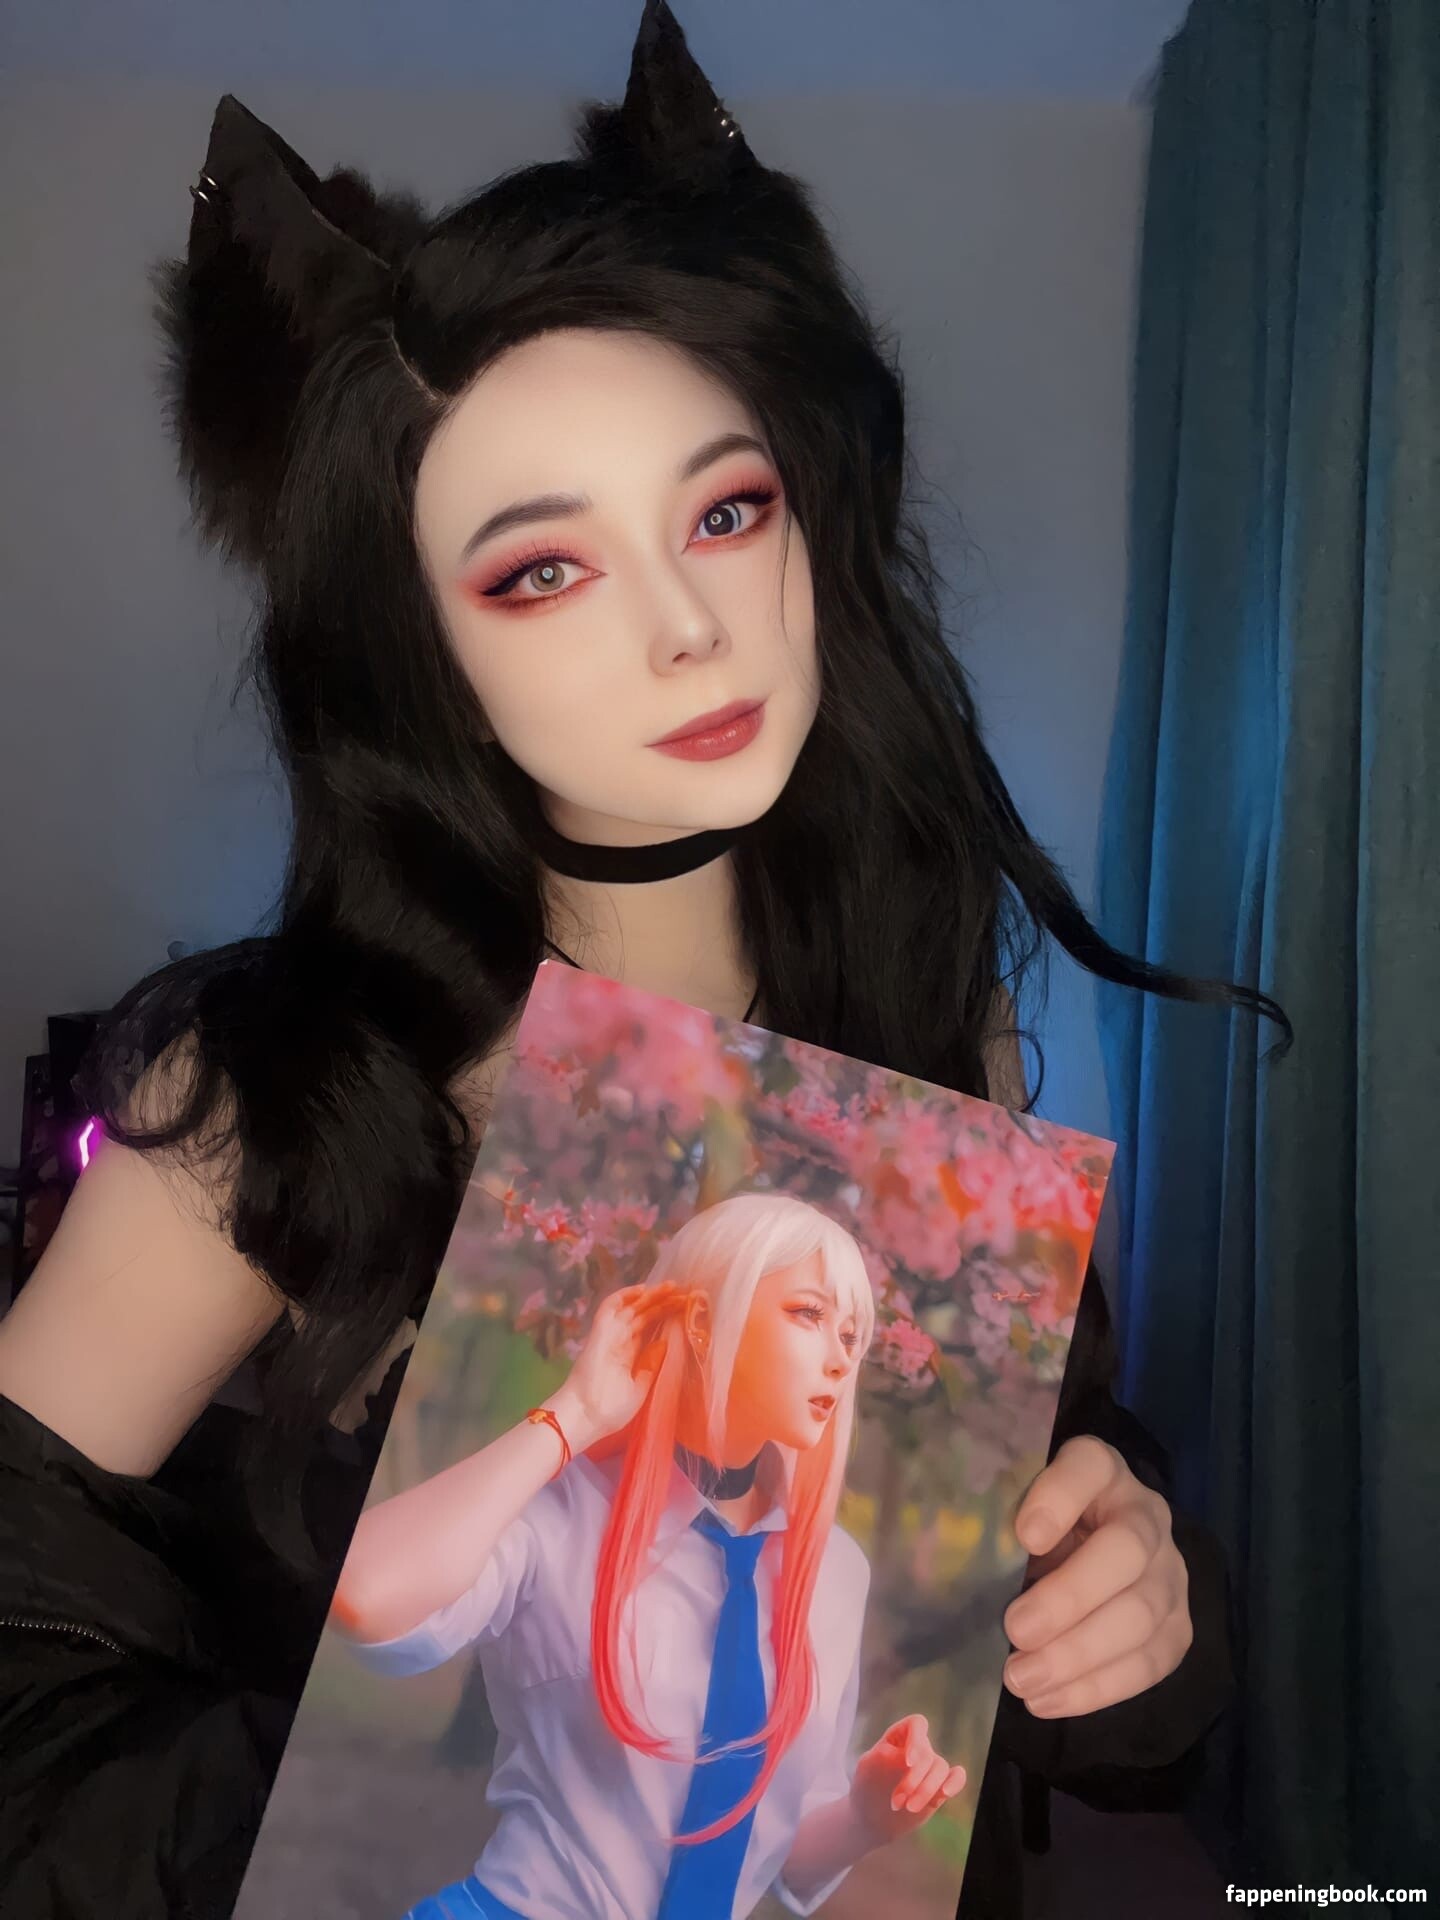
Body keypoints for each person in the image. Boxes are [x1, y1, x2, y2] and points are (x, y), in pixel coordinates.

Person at [0, 5, 1288, 1917]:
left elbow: (1023, 1612)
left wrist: (1125, 1606)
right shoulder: (277, 1089)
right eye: (544, 568)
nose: (687, 624)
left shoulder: (941, 1026)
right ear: (420, 648)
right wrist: (385, 1803)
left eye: (725, 508)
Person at [334, 1193, 966, 1920]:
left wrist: (866, 1816)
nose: (840, 1358)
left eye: (852, 1335)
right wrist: (574, 1414)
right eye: (808, 1314)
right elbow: (363, 1594)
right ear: (701, 1322)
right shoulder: (561, 1511)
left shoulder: (835, 1572)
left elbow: (776, 1848)